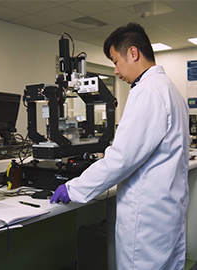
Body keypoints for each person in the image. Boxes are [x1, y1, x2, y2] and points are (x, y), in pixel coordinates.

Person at [50, 22, 189, 269]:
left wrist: (74, 188)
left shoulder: (147, 91)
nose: (115, 70)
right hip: (166, 212)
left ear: (133, 53)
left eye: (115, 61)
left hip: (146, 220)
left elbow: (121, 159)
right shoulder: (170, 89)